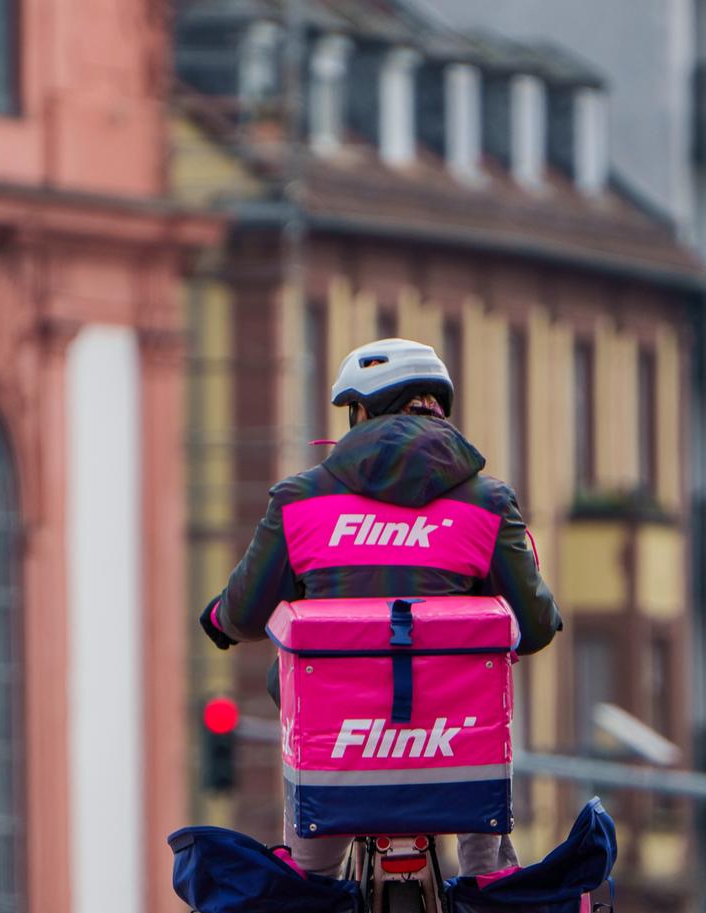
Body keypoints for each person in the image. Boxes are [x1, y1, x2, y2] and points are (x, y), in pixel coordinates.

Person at [199, 336, 562, 879]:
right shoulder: (489, 503)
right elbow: (534, 628)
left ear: (361, 413)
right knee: (488, 831)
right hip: (456, 749)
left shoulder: (301, 502)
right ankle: (488, 898)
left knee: (308, 875)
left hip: (340, 745)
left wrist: (219, 620)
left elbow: (246, 612)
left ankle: (313, 897)